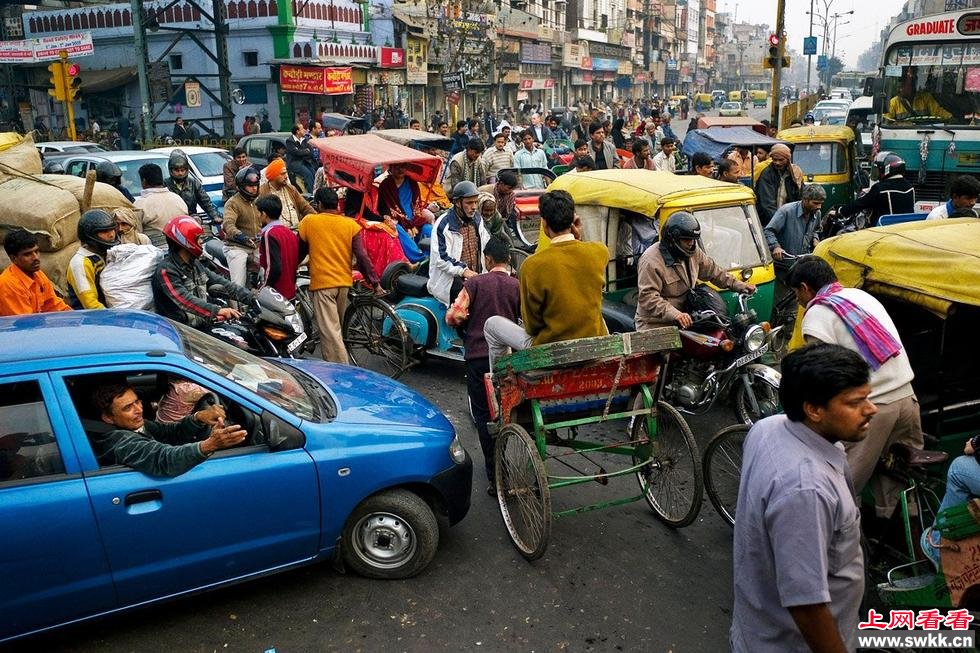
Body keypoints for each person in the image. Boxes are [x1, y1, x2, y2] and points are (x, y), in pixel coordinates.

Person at [732, 343, 874, 653]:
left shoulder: (768, 429)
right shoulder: (805, 489)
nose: (870, 409)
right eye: (854, 402)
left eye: (867, 397)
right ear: (814, 409)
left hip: (757, 627)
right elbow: (807, 606)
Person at [788, 257, 923, 519]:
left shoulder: (817, 312)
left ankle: (845, 547)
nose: (798, 301)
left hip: (873, 408)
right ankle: (905, 544)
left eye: (796, 294)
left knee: (843, 485)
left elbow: (821, 374)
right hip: (908, 398)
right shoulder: (860, 296)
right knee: (897, 484)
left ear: (805, 288)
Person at [483, 190, 608, 368]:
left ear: (544, 223)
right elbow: (579, 255)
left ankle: (499, 379)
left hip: (550, 352)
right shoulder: (599, 251)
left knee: (492, 324)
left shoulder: (531, 265)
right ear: (573, 219)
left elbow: (532, 326)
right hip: (591, 346)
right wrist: (577, 237)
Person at [445, 235, 520, 493]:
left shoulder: (475, 283)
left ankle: (496, 476)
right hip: (507, 360)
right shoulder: (516, 285)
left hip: (478, 358)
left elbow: (454, 316)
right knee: (510, 411)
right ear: (508, 259)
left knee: (484, 416)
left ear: (487, 260)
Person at [90, 381, 246, 477]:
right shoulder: (119, 442)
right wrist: (211, 444)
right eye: (128, 407)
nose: (139, 410)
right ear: (108, 418)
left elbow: (169, 433)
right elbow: (165, 459)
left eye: (137, 402)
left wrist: (198, 418)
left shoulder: (135, 425)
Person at [298, 187, 380, 364]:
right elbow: (362, 257)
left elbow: (300, 252)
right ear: (336, 204)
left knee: (331, 335)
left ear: (318, 204)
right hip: (344, 284)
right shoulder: (350, 225)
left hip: (323, 285)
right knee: (337, 331)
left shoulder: (309, 222)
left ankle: (342, 371)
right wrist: (374, 282)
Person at [634, 212, 754, 330]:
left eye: (693, 239)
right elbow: (648, 297)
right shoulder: (651, 261)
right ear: (673, 239)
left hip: (688, 316)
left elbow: (713, 271)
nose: (691, 243)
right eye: (686, 239)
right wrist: (675, 314)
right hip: (656, 323)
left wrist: (738, 285)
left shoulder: (693, 251)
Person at [153, 215, 253, 328]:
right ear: (186, 241)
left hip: (201, 326)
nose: (201, 242)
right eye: (198, 238)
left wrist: (252, 298)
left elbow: (224, 283)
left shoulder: (195, 264)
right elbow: (184, 300)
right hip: (181, 331)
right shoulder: (166, 270)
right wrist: (217, 311)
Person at [428, 181, 493, 307]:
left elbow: (486, 242)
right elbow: (440, 258)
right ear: (457, 203)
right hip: (451, 280)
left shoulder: (477, 219)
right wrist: (463, 271)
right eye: (469, 203)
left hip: (475, 276)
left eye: (475, 202)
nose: (474, 207)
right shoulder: (444, 224)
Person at [0, 230, 72, 316]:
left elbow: (53, 304)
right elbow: (24, 324)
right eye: (27, 254)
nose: (35, 257)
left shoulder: (38, 274)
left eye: (36, 251)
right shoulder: (8, 285)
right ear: (13, 258)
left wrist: (75, 318)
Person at [837, 152, 914, 226]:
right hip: (904, 229)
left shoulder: (880, 188)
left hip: (882, 230)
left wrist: (841, 211)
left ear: (886, 169)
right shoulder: (910, 187)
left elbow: (860, 204)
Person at [66, 209, 119, 310]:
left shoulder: (108, 254)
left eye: (112, 229)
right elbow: (90, 304)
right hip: (93, 320)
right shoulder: (80, 263)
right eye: (104, 231)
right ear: (90, 235)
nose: (111, 235)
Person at [223, 166, 263, 288]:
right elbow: (228, 224)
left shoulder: (259, 201)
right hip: (237, 247)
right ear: (240, 186)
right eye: (250, 186)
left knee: (270, 271)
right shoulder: (232, 203)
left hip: (256, 245)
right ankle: (236, 306)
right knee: (238, 284)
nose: (254, 188)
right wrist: (239, 235)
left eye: (256, 185)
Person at [765, 184, 825, 266]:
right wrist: (776, 247)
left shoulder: (817, 213)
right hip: (784, 264)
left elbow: (816, 229)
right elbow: (769, 231)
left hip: (803, 264)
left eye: (821, 203)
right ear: (805, 200)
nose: (819, 207)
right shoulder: (786, 211)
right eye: (815, 203)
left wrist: (815, 239)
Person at [255, 195, 300, 300]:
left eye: (258, 213)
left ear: (264, 214)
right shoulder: (290, 233)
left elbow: (273, 267)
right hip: (290, 291)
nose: (257, 216)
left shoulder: (268, 234)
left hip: (276, 294)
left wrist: (263, 288)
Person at [134, 163, 187, 248]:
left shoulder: (140, 204)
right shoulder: (178, 199)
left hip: (155, 252)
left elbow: (136, 236)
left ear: (143, 181)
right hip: (182, 248)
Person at [165, 150, 221, 225]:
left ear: (187, 169)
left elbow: (205, 201)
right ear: (171, 170)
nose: (180, 173)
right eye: (177, 170)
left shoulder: (194, 183)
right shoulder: (165, 184)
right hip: (172, 221)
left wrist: (215, 216)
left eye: (182, 170)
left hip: (192, 220)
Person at [258, 157, 314, 230]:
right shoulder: (262, 192)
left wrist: (317, 219)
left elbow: (305, 207)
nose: (286, 176)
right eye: (283, 174)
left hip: (296, 231)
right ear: (274, 176)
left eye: (286, 173)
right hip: (275, 234)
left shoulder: (291, 189)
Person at [756, 143, 803, 226]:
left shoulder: (795, 173)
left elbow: (799, 196)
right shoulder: (767, 174)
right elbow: (768, 204)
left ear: (788, 159)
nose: (777, 163)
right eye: (774, 160)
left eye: (781, 160)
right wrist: (778, 222)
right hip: (769, 220)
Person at [885, 71, 952, 121]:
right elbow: (886, 119)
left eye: (904, 86)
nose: (900, 89)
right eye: (899, 86)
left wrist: (951, 118)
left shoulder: (925, 98)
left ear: (913, 86)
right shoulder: (893, 102)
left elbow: (938, 111)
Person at [285, 123, 315, 193]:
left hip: (304, 161)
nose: (304, 130)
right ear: (297, 131)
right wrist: (305, 151)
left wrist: (303, 152)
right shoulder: (290, 141)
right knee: (308, 174)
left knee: (313, 172)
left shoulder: (304, 139)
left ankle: (315, 190)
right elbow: (296, 153)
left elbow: (310, 152)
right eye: (302, 129)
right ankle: (312, 194)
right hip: (294, 163)